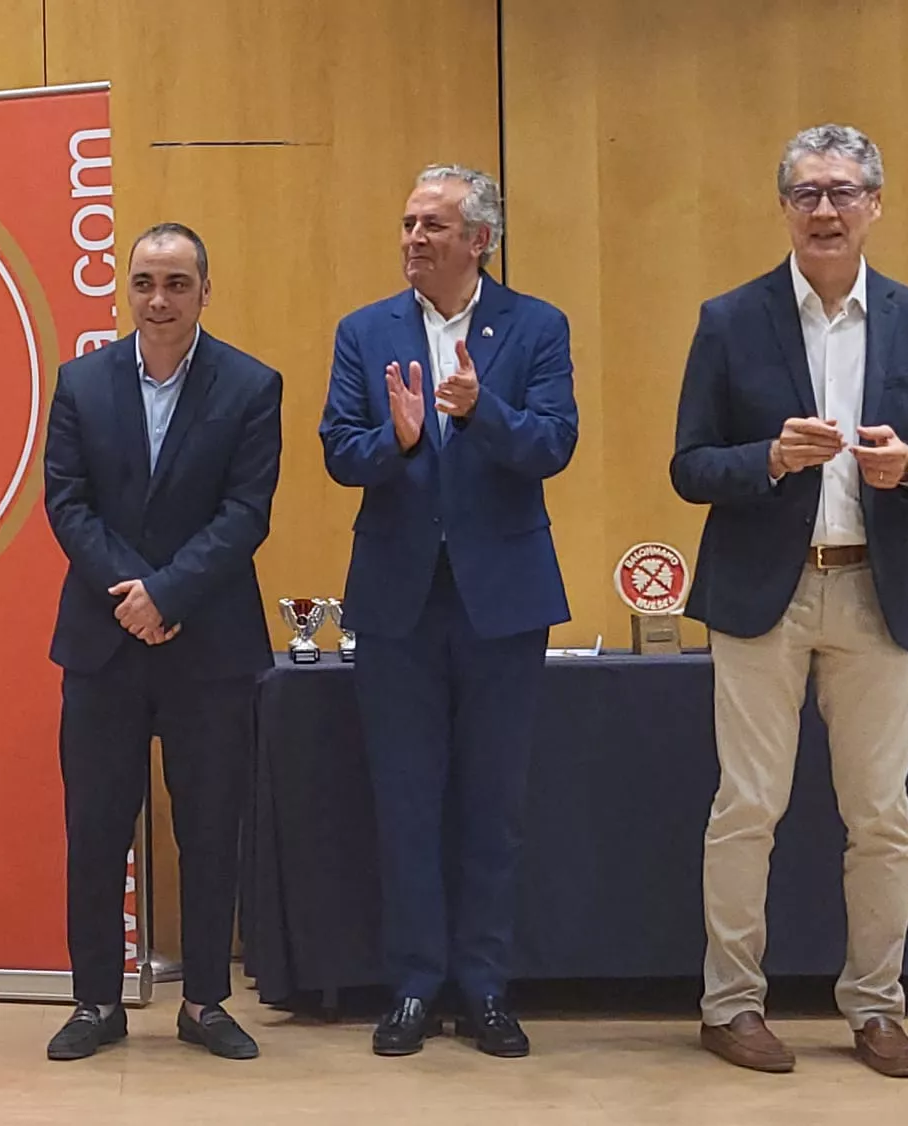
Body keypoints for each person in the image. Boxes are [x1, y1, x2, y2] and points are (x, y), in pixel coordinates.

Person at [671, 123, 908, 1079]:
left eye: (844, 192)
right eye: (807, 193)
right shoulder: (730, 318)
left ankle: (877, 1008)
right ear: (785, 209)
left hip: (874, 592)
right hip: (764, 592)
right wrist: (766, 458)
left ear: (875, 206)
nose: (826, 209)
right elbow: (689, 468)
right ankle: (731, 1005)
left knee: (882, 814)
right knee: (747, 807)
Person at [320, 165, 577, 1060]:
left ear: (481, 240)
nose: (413, 239)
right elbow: (338, 453)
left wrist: (483, 410)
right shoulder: (366, 331)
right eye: (407, 223)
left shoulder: (538, 326)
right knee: (406, 800)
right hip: (398, 602)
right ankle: (415, 986)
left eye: (433, 225)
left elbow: (555, 443)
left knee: (491, 804)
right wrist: (394, 440)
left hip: (501, 604)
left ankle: (487, 985)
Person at [40, 223, 283, 1063]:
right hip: (104, 643)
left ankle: (208, 1001)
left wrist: (169, 593)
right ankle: (96, 1002)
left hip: (208, 645)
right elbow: (67, 504)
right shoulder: (80, 383)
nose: (159, 299)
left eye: (177, 283)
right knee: (95, 829)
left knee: (211, 828)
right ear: (127, 289)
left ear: (205, 291)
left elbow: (246, 513)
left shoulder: (252, 386)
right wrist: (134, 597)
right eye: (144, 281)